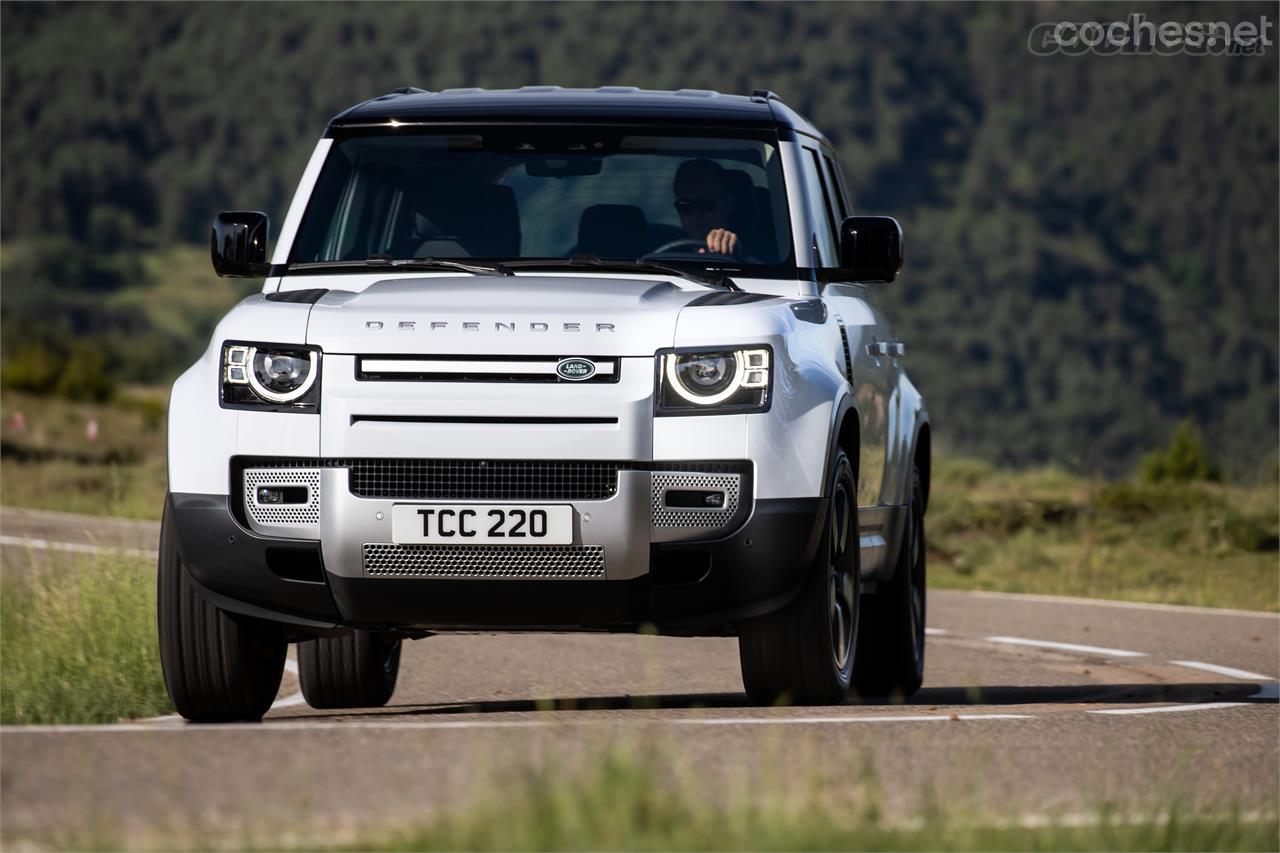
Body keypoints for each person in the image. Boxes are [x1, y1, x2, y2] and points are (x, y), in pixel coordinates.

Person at [672, 158, 743, 257]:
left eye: (706, 203)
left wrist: (735, 255)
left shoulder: (757, 261)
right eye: (685, 206)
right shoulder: (660, 256)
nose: (696, 214)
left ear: (728, 204)